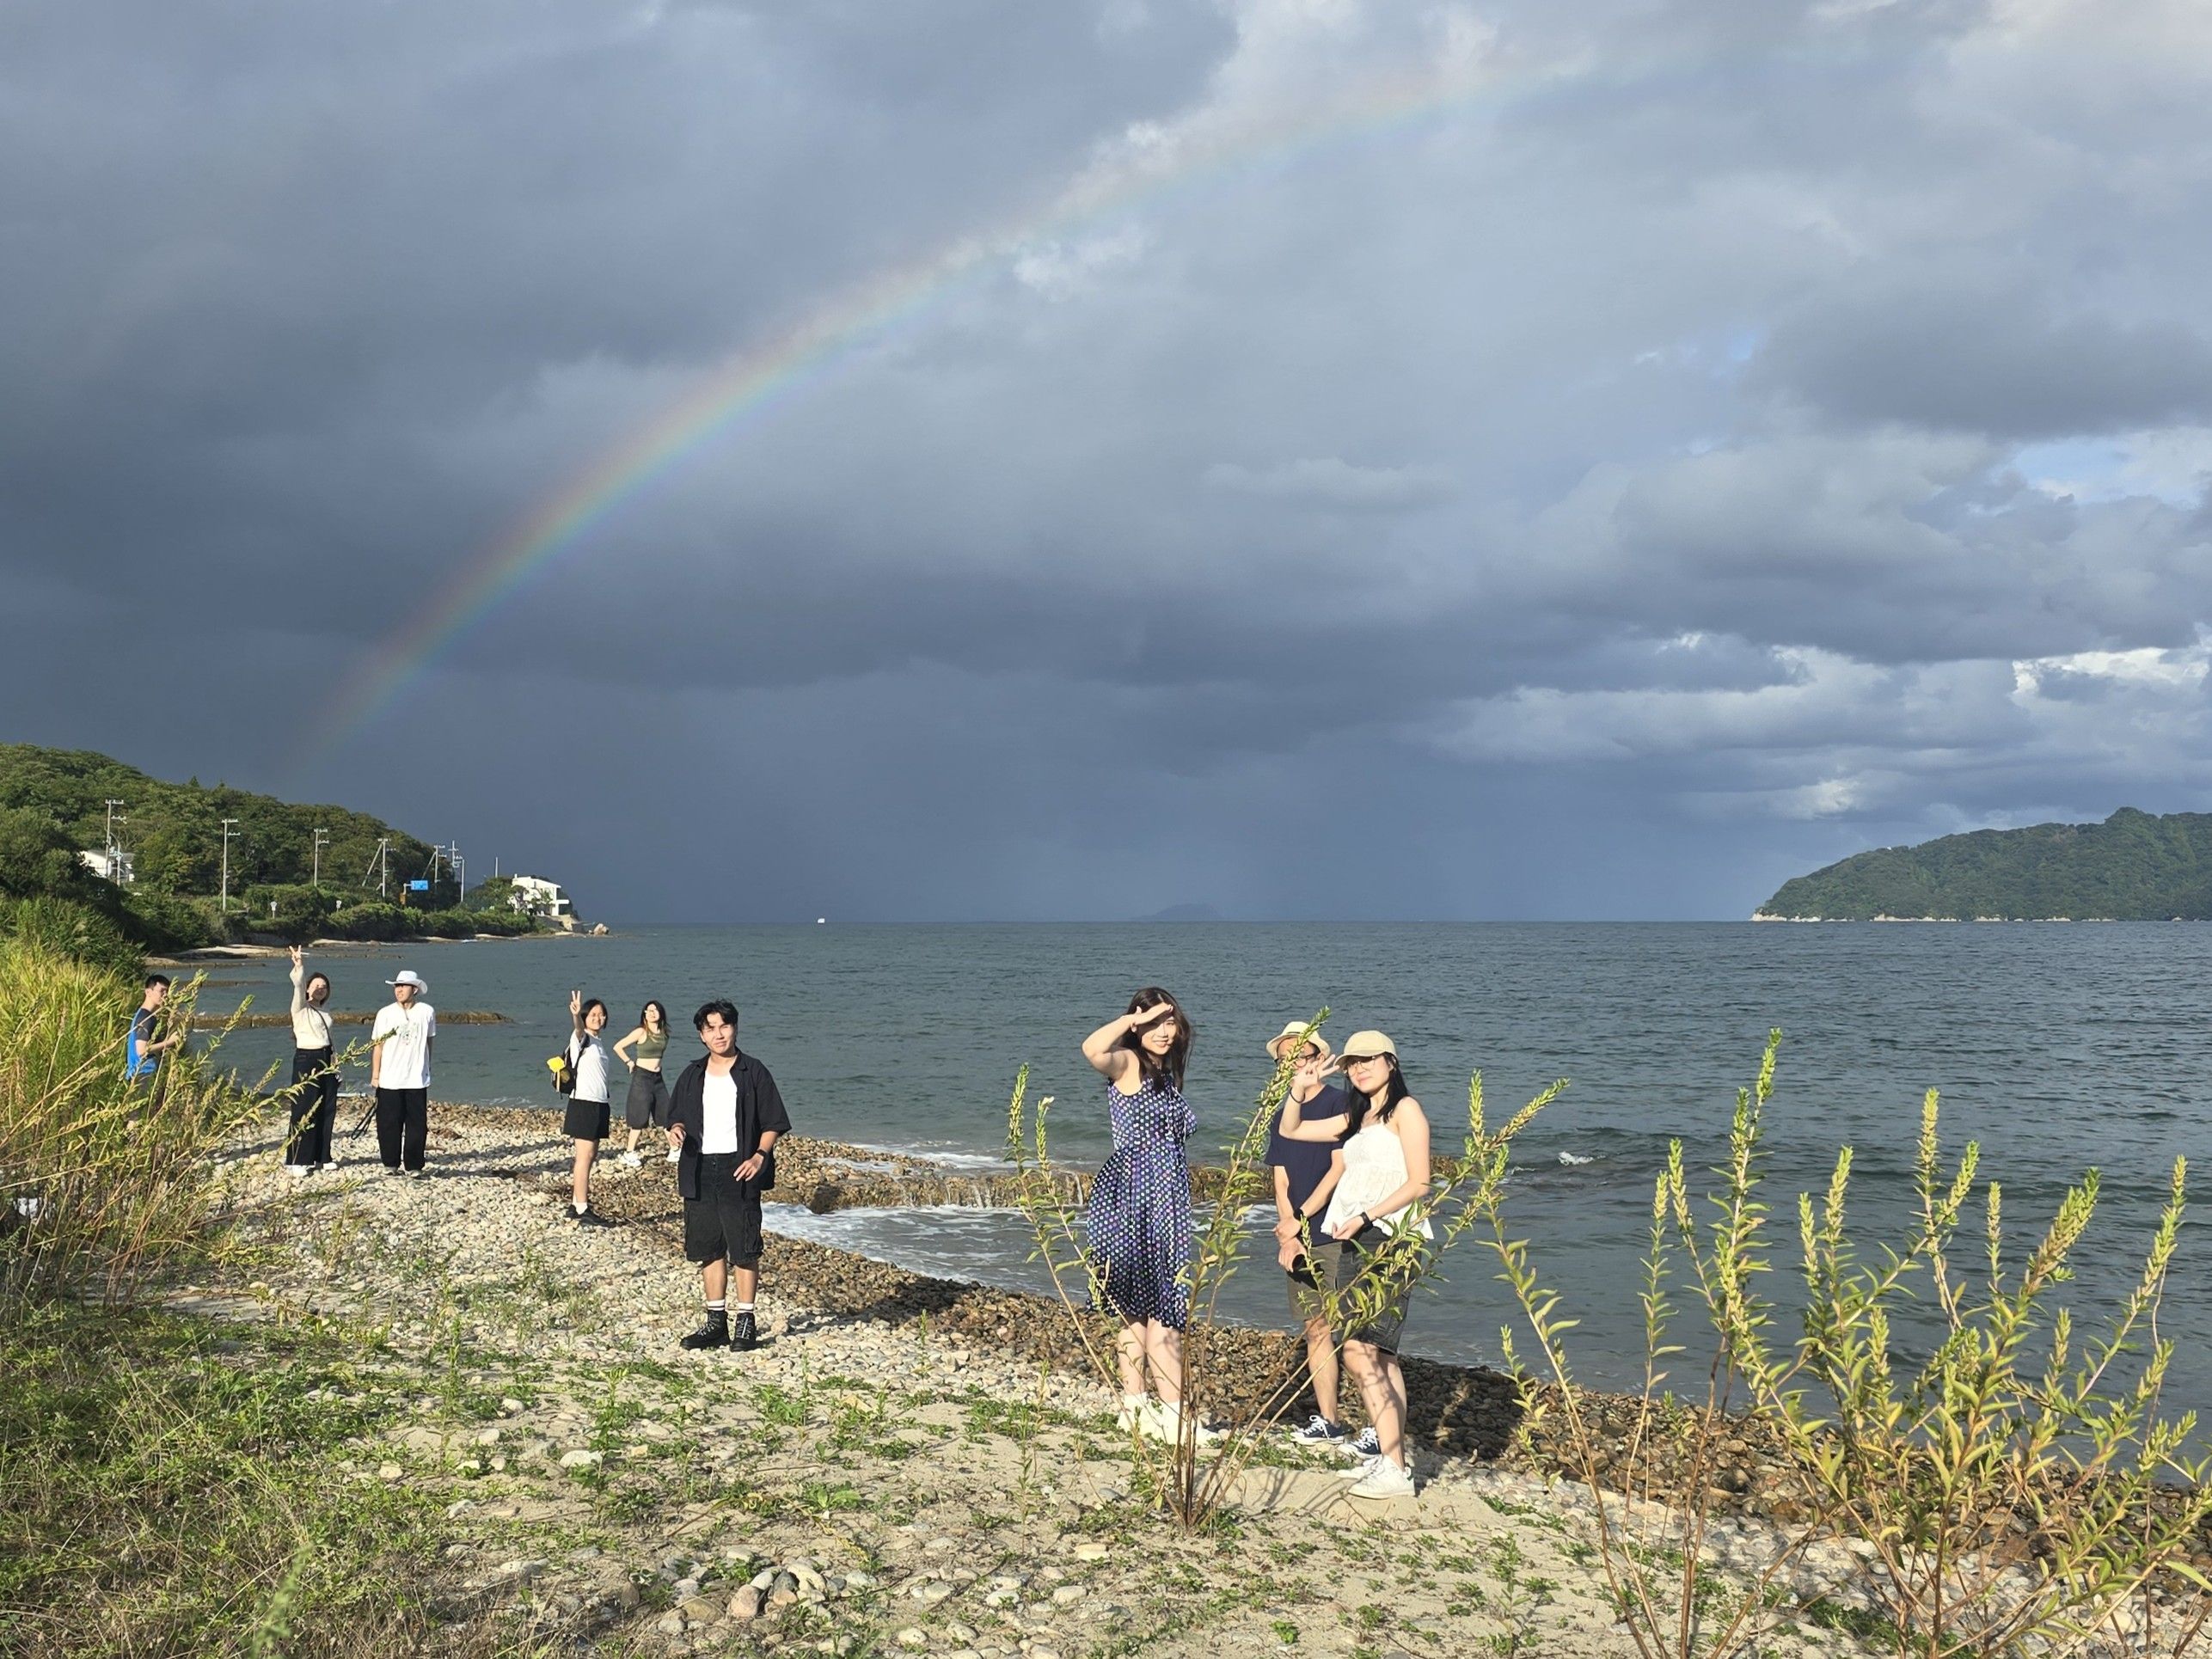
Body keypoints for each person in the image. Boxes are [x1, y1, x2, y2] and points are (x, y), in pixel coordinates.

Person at [1278, 1030, 1432, 1499]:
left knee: (1361, 1350)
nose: (1360, 1068)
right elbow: (1290, 1131)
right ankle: (1391, 1462)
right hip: (1355, 1239)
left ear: (1391, 1061)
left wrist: (1368, 1214)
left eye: (1369, 1060)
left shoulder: (1406, 1110)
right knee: (1377, 1353)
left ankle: (1394, 1466)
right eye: (1352, 1063)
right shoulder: (1357, 1116)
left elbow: (1421, 1183)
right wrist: (1298, 1088)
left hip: (1391, 1238)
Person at [1081, 987, 1216, 1443]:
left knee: (1139, 1310)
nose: (1164, 1030)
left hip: (1164, 1194)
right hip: (1136, 1195)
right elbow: (1091, 1049)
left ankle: (1136, 1408)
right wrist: (1134, 1021)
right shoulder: (1129, 1063)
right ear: (1137, 1025)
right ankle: (1174, 1419)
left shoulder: (1164, 1074)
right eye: (1155, 1022)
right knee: (1159, 1305)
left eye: (1170, 1022)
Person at [665, 1000, 790, 1352]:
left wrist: (759, 1156)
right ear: (701, 1035)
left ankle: (746, 1322)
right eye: (710, 1028)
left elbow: (773, 1122)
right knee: (709, 1247)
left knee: (744, 1247)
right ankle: (716, 1323)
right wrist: (675, 1129)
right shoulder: (692, 1073)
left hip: (740, 1166)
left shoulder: (754, 1072)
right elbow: (677, 1117)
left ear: (734, 1028)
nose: (718, 1034)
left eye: (724, 1026)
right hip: (700, 1166)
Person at [1263, 1022, 1353, 1446]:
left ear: (1319, 1057)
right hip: (1297, 1234)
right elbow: (1280, 1180)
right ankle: (1329, 1421)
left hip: (1335, 1229)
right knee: (1316, 1327)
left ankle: (1378, 1427)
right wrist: (1288, 1233)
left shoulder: (1341, 1102)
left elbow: (1339, 1168)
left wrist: (1301, 1219)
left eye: (1299, 1054)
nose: (1292, 1063)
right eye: (1284, 1059)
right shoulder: (1282, 1116)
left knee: (1352, 1329)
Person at [369, 969, 436, 1176]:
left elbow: (429, 1041)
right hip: (390, 1078)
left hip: (416, 1078)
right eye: (396, 986)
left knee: (417, 1124)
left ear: (414, 989)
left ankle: (414, 1165)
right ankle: (390, 1163)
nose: (398, 990)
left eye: (403, 986)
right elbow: (378, 1045)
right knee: (388, 1123)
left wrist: (427, 1066)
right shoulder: (385, 1013)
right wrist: (375, 1074)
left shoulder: (427, 1011)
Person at [563, 989, 616, 1226]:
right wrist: (576, 1015)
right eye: (593, 1014)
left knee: (591, 1154)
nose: (598, 1018)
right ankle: (583, 1207)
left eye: (601, 1014)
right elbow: (577, 1029)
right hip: (583, 1103)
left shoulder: (599, 1043)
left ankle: (576, 1203)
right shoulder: (581, 1038)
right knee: (584, 1156)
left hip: (599, 1103)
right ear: (585, 1017)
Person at [284, 945, 338, 1177]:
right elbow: (297, 985)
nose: (320, 989)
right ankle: (295, 1160)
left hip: (326, 1058)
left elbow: (329, 1038)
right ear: (308, 988)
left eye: (324, 987)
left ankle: (322, 1156)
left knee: (326, 1109)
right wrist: (299, 966)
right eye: (316, 986)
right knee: (303, 1108)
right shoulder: (300, 1008)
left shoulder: (325, 1013)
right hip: (306, 1058)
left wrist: (336, 1063)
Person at [612, 1001, 671, 1166]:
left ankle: (675, 1149)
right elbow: (618, 1047)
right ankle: (629, 1152)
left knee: (665, 1113)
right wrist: (629, 1062)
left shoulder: (664, 1032)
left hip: (658, 1078)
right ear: (644, 1014)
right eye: (649, 1010)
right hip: (642, 1077)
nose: (652, 1013)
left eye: (655, 1010)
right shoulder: (640, 1032)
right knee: (639, 1116)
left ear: (661, 1013)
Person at [126, 973, 181, 1084]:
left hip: (138, 1074)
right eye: (161, 991)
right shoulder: (146, 1018)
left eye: (167, 992)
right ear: (148, 992)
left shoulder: (141, 1014)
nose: (165, 995)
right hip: (143, 1074)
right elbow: (141, 1050)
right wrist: (170, 1042)